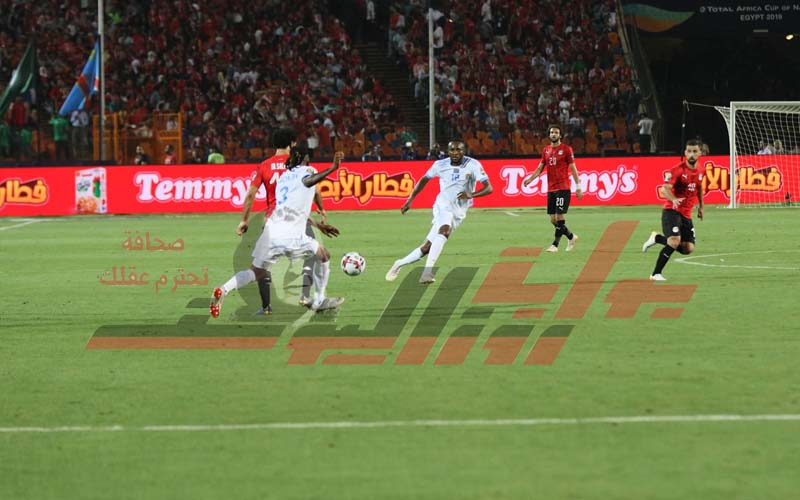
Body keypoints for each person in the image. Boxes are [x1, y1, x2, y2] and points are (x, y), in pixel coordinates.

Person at [210, 148, 346, 317]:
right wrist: (333, 168)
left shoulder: (284, 178)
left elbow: (293, 209)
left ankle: (223, 289)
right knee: (324, 255)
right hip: (291, 236)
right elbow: (308, 181)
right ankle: (319, 299)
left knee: (256, 271)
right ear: (305, 157)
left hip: (271, 232)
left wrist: (318, 225)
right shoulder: (307, 170)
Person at [385, 140, 493, 284]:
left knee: (426, 248)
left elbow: (489, 188)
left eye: (459, 150)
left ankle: (399, 263)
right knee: (444, 231)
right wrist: (410, 199)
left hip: (459, 211)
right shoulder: (440, 165)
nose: (455, 153)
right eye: (452, 150)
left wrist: (471, 194)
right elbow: (423, 180)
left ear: (464, 151)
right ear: (448, 151)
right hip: (443, 205)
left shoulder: (473, 165)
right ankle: (427, 272)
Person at [642, 139, 705, 281]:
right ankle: (655, 274)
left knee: (688, 248)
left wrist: (701, 206)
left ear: (700, 153)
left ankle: (657, 238)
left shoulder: (702, 170)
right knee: (674, 241)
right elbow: (665, 188)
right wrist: (674, 199)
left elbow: (700, 187)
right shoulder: (677, 170)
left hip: (686, 214)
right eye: (689, 151)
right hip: (672, 211)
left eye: (695, 151)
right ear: (685, 153)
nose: (692, 154)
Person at [522, 124, 583, 252]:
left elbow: (573, 168)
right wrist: (530, 179)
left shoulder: (566, 149)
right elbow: (540, 168)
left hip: (563, 188)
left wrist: (578, 186)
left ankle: (555, 245)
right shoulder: (546, 150)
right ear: (549, 135)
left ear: (560, 135)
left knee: (559, 216)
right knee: (553, 219)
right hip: (551, 188)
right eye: (551, 132)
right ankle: (571, 237)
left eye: (556, 132)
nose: (553, 134)